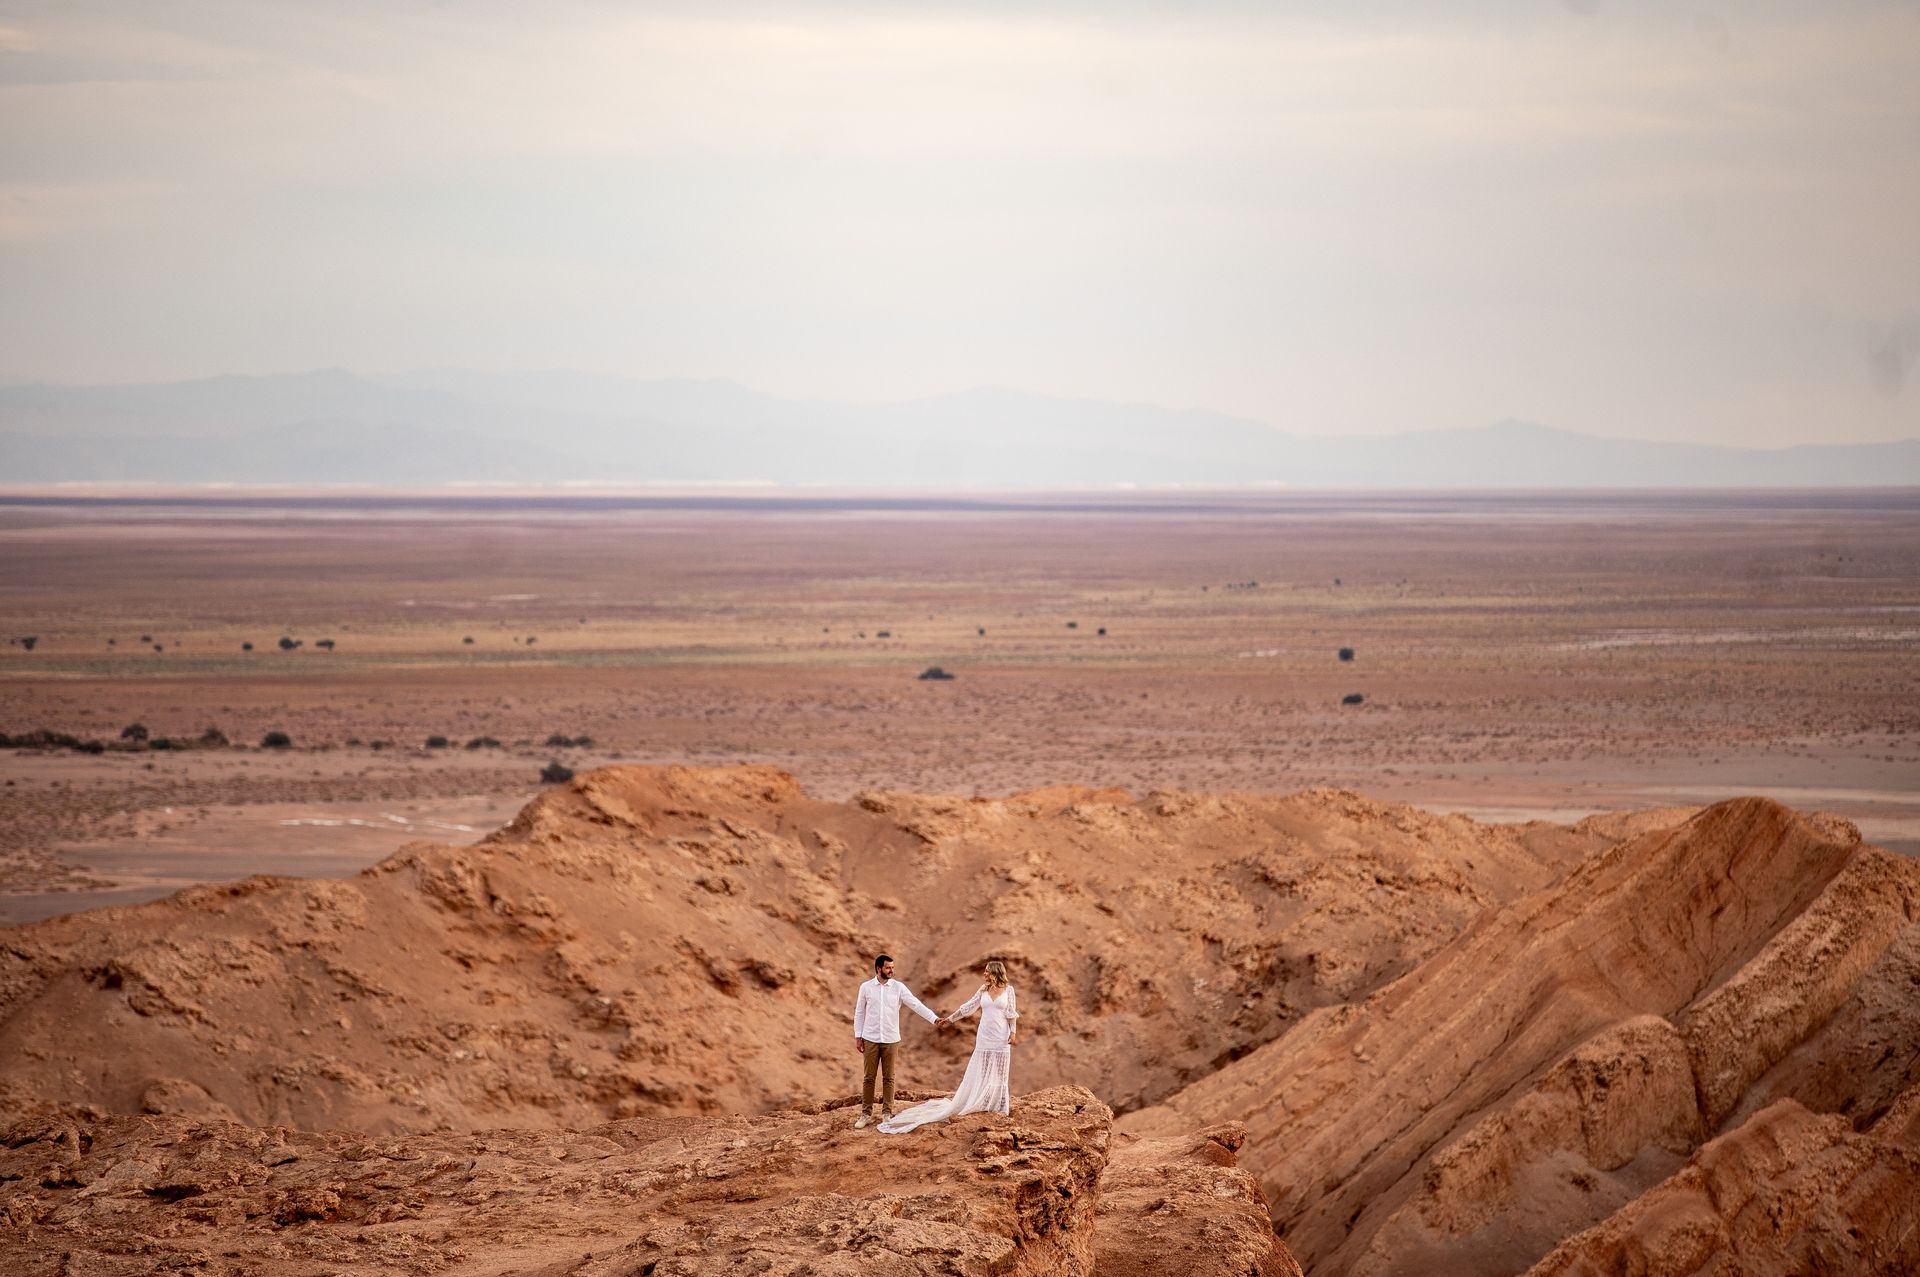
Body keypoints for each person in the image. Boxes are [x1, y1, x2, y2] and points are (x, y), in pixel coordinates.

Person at [878, 959, 1019, 1134]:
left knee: (1000, 1070)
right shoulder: (983, 990)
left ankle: (1000, 1105)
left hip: (1001, 1036)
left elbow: (1011, 1014)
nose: (984, 974)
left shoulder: (1009, 991)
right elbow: (967, 1008)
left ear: (995, 972)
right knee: (982, 1068)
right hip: (985, 1036)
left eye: (986, 971)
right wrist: (949, 1019)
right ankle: (982, 1101)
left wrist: (1013, 1033)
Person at [851, 953, 941, 1129]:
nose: (891, 971)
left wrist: (934, 1018)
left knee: (889, 1077)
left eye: (892, 968)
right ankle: (866, 1114)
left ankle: (887, 1113)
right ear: (878, 969)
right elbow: (859, 1012)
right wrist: (858, 1036)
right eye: (888, 968)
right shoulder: (866, 987)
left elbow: (915, 1004)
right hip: (870, 1038)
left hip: (891, 1039)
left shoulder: (899, 988)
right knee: (869, 1077)